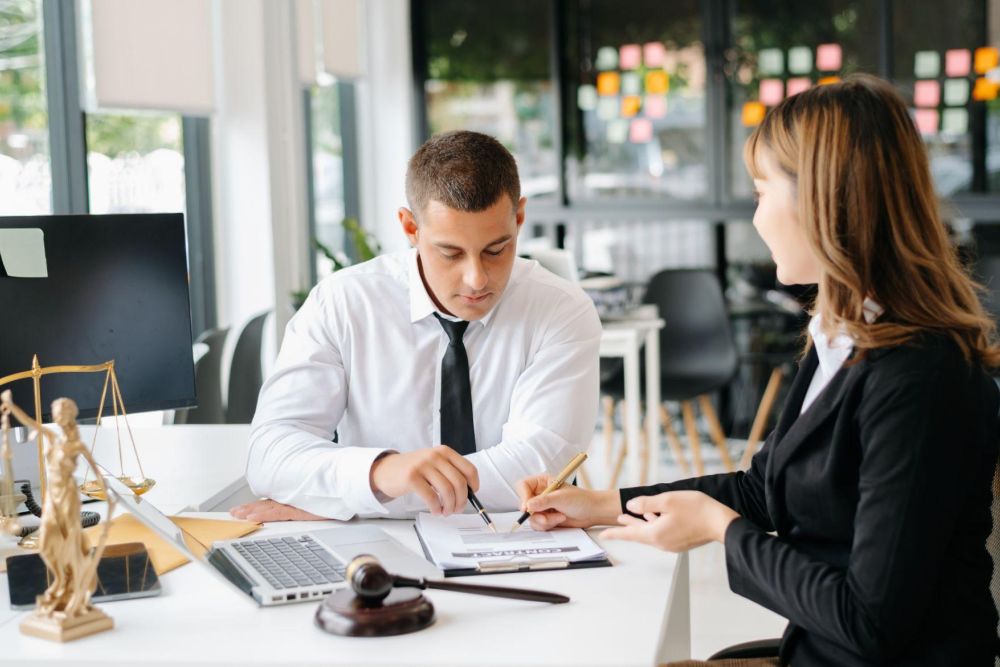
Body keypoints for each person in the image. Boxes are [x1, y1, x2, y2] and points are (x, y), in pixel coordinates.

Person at [516, 74, 1000, 666]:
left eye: (761, 192)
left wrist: (721, 530)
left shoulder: (920, 376)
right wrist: (603, 503)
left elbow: (869, 622)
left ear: (822, 200)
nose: (755, 219)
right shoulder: (841, 337)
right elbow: (761, 490)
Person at [232, 130, 601, 523]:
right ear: (410, 228)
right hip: (376, 555)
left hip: (522, 544)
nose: (477, 278)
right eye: (451, 253)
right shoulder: (342, 304)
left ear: (520, 218)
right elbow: (270, 454)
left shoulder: (561, 310)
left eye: (496, 249)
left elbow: (536, 468)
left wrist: (349, 497)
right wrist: (382, 472)